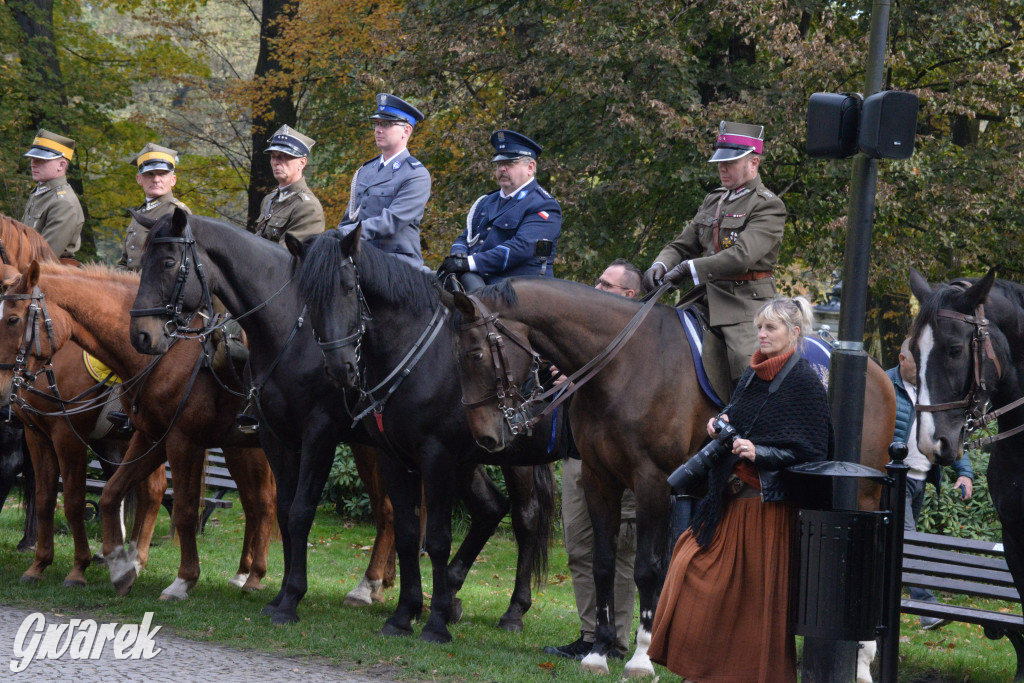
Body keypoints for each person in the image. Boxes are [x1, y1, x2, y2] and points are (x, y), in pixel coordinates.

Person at [650, 296, 833, 682]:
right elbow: (740, 416)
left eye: (771, 328)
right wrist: (721, 423)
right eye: (760, 327)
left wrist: (760, 452)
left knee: (752, 608)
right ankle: (704, 670)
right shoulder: (753, 374)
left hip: (768, 509)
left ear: (794, 334)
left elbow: (813, 453)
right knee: (689, 566)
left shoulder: (804, 383)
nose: (762, 334)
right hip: (729, 502)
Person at [544, 259, 641, 661]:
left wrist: (578, 379)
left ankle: (616, 640)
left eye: (606, 284)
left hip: (623, 464)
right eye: (597, 281)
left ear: (628, 295)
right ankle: (590, 635)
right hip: (576, 455)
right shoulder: (580, 333)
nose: (595, 287)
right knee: (580, 550)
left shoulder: (642, 337)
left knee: (619, 551)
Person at [642, 121, 786, 381]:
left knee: (747, 365)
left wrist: (688, 268)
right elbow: (682, 245)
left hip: (744, 304)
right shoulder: (714, 200)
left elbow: (742, 256)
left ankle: (747, 419)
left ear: (753, 163)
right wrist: (660, 266)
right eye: (720, 161)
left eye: (730, 162)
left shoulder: (768, 205)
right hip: (703, 298)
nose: (722, 167)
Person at [887, 338, 974, 629]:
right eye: (918, 361)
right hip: (893, 480)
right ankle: (928, 609)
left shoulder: (931, 388)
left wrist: (964, 472)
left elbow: (948, 432)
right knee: (908, 542)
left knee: (894, 547)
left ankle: (879, 603)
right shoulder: (885, 386)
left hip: (921, 478)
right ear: (902, 359)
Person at [439, 129, 561, 289]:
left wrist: (469, 263)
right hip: (475, 284)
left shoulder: (543, 205)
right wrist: (458, 254)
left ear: (530, 167)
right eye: (499, 164)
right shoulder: (487, 201)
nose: (502, 169)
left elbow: (520, 248)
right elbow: (466, 237)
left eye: (509, 164)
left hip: (519, 291)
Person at [336, 94, 431, 268]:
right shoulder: (365, 171)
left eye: (386, 124)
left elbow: (391, 221)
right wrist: (336, 236)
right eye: (377, 124)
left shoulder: (416, 175)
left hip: (395, 262)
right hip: (360, 257)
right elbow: (349, 219)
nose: (379, 129)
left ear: (406, 131)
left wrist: (345, 233)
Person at [117, 143, 191, 271]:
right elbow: (124, 262)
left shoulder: (177, 212)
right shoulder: (140, 213)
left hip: (155, 287)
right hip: (128, 286)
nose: (156, 179)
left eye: (162, 174)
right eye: (149, 174)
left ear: (173, 180)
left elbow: (178, 262)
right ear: (139, 179)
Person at [252, 125, 325, 245]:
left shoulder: (308, 207)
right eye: (273, 156)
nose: (276, 162)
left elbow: (287, 257)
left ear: (302, 162)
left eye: (284, 156)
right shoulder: (269, 199)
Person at [21, 129, 85, 258]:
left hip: (48, 273)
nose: (33, 164)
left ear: (61, 165)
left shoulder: (63, 202)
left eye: (41, 160)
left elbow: (45, 256)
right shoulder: (41, 194)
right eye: (33, 158)